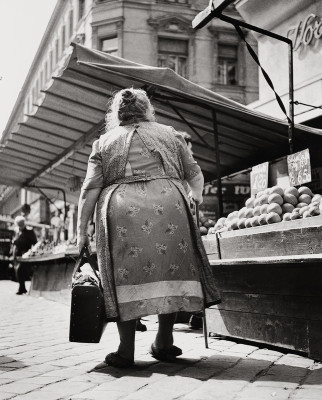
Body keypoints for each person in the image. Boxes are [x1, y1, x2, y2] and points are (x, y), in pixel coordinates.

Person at [77, 88, 220, 368]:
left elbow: (90, 188)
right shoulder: (169, 133)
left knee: (124, 276)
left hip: (122, 211)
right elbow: (194, 173)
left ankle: (126, 349)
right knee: (170, 269)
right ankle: (164, 342)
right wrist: (195, 197)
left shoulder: (105, 141)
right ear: (147, 109)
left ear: (116, 112)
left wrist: (82, 231)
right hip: (170, 207)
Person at [12, 216, 37, 295]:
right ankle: (22, 288)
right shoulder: (16, 231)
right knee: (18, 271)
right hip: (17, 254)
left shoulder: (29, 231)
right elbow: (14, 242)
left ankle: (23, 288)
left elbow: (35, 243)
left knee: (21, 270)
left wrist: (32, 252)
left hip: (26, 254)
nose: (20, 227)